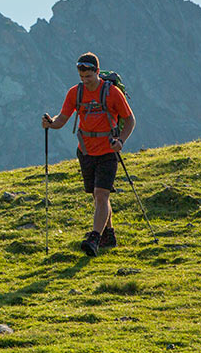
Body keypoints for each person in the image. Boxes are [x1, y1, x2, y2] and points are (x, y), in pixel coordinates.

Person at [41, 52, 136, 256]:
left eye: (89, 77)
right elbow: (61, 120)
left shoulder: (112, 93)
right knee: (97, 195)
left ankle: (94, 239)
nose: (85, 81)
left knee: (102, 194)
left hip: (108, 151)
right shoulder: (75, 93)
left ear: (98, 72)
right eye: (82, 77)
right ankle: (108, 234)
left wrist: (121, 141)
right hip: (85, 151)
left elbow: (130, 120)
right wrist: (50, 123)